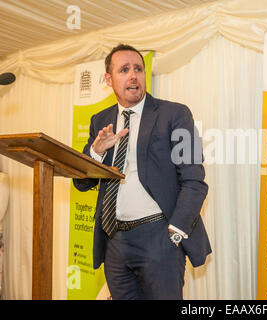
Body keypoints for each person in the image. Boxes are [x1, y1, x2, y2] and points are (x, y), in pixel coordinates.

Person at [73, 44, 211, 300]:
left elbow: (194, 181)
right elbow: (81, 184)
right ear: (108, 79)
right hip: (114, 242)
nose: (133, 75)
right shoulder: (100, 121)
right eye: (124, 70)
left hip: (159, 239)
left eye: (138, 68)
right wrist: (96, 152)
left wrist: (175, 234)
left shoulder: (174, 114)